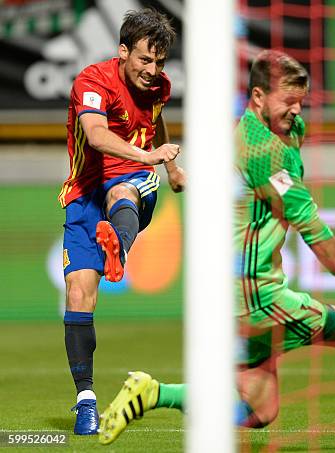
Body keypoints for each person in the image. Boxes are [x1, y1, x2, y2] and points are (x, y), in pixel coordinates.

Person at [97, 50, 335, 445]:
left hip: (234, 294)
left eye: (302, 100)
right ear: (258, 97)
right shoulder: (262, 150)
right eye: (288, 100)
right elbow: (310, 227)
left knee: (261, 410)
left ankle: (153, 392)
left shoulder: (281, 130)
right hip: (254, 292)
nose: (297, 110)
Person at [60, 8, 185, 435]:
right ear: (123, 51)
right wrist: (153, 156)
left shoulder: (158, 88)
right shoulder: (92, 82)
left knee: (123, 192)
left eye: (160, 63)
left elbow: (156, 118)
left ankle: (120, 244)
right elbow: (95, 136)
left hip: (132, 179)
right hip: (82, 195)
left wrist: (167, 169)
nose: (153, 71)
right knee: (79, 293)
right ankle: (86, 402)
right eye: (145, 60)